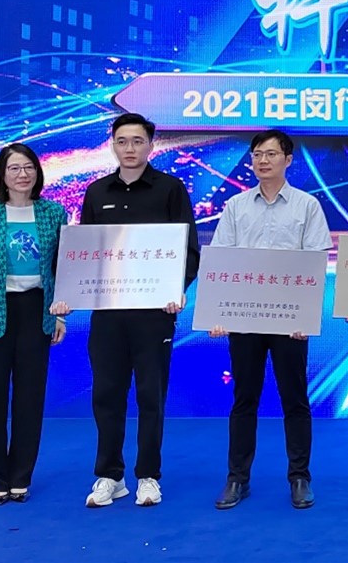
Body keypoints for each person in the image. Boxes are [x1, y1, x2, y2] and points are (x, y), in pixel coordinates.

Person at [52, 113, 201, 508]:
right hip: (108, 313)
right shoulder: (97, 191)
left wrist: (177, 289)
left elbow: (189, 249)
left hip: (154, 313)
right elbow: (85, 252)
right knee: (107, 394)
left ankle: (148, 475)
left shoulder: (170, 189)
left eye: (137, 141)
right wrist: (69, 292)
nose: (130, 148)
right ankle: (110, 475)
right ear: (113, 145)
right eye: (122, 141)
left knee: (151, 395)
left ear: (151, 145)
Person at [208, 130, 332, 511]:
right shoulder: (236, 206)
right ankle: (237, 478)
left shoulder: (307, 206)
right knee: (244, 399)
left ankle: (299, 477)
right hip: (245, 319)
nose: (263, 161)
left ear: (288, 160)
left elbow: (315, 264)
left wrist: (305, 316)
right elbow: (221, 258)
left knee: (295, 399)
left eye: (271, 154)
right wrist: (219, 313)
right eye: (257, 154)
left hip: (289, 321)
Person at [0, 143, 69, 504]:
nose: (23, 174)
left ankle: (21, 476)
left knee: (30, 399)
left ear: (38, 172)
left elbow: (61, 269)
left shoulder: (54, 213)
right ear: (2, 176)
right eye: (14, 168)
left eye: (29, 167)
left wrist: (59, 313)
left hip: (37, 310)